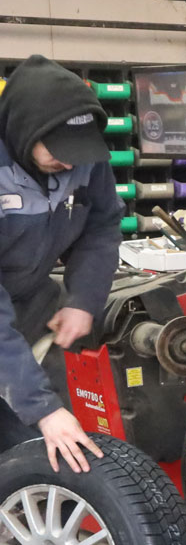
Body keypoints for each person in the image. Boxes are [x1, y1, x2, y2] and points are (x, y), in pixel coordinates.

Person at [0, 55, 123, 473]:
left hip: (31, 305)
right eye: (58, 151)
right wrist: (41, 408)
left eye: (79, 151)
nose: (70, 163)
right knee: (41, 416)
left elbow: (102, 224)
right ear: (23, 130)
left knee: (37, 443)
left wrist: (83, 299)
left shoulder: (85, 159)